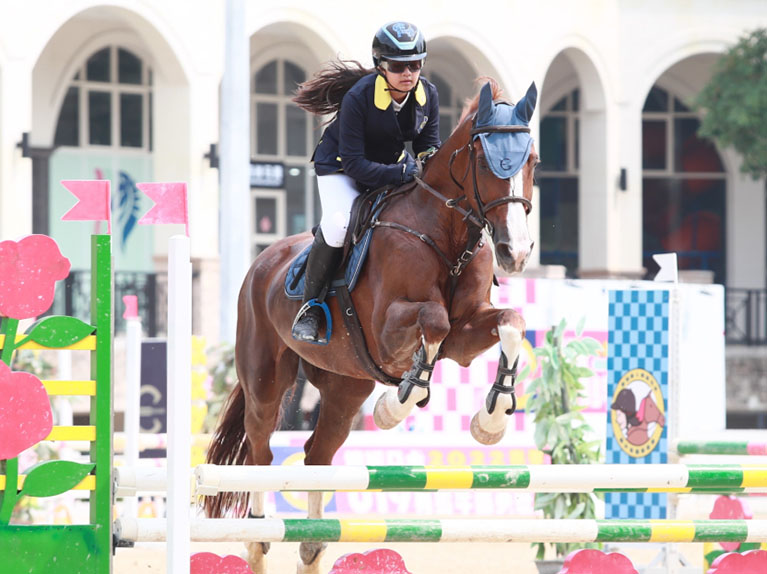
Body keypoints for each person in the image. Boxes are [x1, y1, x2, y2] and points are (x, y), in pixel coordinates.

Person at [291, 21, 441, 343]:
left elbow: (429, 144)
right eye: (399, 66)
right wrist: (403, 173)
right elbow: (357, 165)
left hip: (390, 166)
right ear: (380, 66)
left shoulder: (428, 94)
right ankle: (311, 306)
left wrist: (429, 162)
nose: (409, 73)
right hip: (341, 169)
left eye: (415, 64)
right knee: (338, 223)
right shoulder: (359, 98)